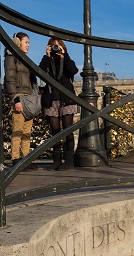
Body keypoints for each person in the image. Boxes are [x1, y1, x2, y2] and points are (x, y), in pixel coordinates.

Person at [39, 38, 78, 170]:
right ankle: (56, 160)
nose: (56, 48)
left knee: (68, 130)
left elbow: (73, 70)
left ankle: (69, 161)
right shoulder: (48, 61)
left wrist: (64, 55)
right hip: (51, 99)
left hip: (67, 99)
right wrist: (47, 55)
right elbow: (40, 72)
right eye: (53, 46)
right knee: (54, 131)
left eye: (58, 46)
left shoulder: (66, 59)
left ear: (62, 47)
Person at [4, 32, 37, 166]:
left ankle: (26, 159)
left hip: (29, 98)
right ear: (18, 42)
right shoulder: (11, 58)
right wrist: (15, 99)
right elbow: (10, 79)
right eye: (26, 42)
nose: (28, 45)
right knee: (17, 130)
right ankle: (16, 159)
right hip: (19, 97)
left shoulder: (26, 59)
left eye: (29, 42)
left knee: (27, 132)